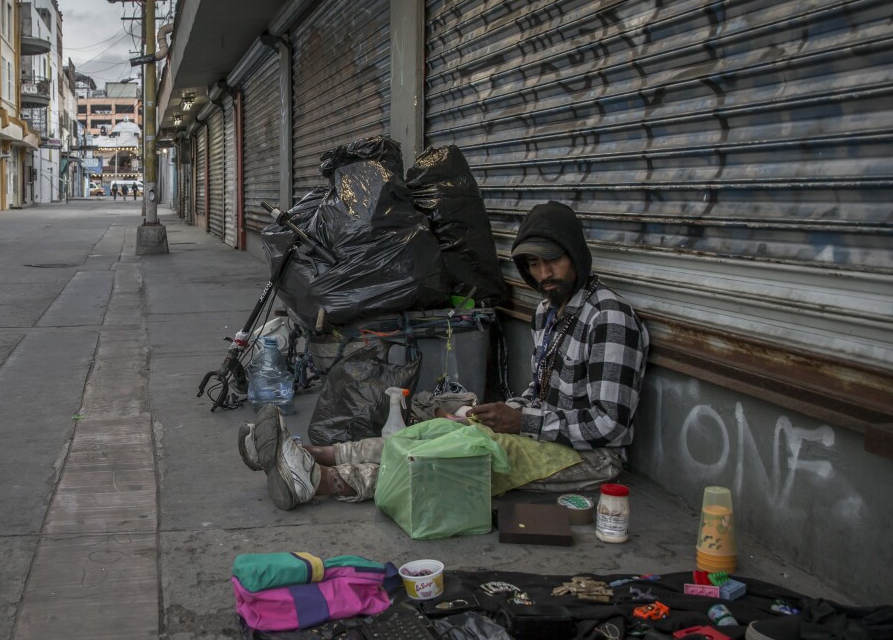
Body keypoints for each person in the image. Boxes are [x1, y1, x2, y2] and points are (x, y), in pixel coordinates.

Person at [244, 200, 650, 509]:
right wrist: (493, 414)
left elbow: (609, 426)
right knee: (436, 427)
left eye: (553, 262)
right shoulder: (548, 312)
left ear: (576, 255)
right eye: (534, 265)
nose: (544, 276)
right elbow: (541, 397)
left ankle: (318, 482)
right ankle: (310, 454)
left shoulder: (609, 318)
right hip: (543, 435)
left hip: (591, 459)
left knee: (458, 457)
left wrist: (520, 421)